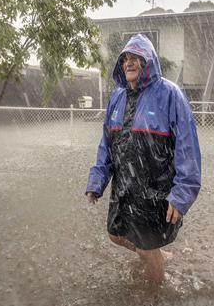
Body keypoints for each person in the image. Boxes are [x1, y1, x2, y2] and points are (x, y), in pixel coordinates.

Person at [85, 33, 202, 283]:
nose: (129, 62)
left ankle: (153, 298)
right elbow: (106, 144)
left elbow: (187, 147)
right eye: (126, 58)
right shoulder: (117, 97)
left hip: (155, 190)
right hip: (124, 188)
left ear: (149, 61)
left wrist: (182, 194)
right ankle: (157, 257)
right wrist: (97, 180)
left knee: (148, 250)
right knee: (115, 235)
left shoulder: (170, 94)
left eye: (136, 58)